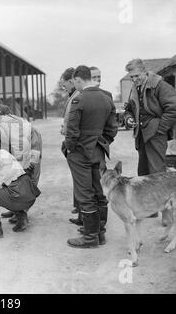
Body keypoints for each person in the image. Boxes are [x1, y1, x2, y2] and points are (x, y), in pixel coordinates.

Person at [63, 65, 117, 248]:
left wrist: (70, 148)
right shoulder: (107, 97)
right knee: (98, 192)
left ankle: (90, 238)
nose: (75, 86)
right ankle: (100, 234)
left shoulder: (79, 99)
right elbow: (112, 129)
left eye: (75, 82)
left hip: (80, 153)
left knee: (84, 194)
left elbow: (71, 131)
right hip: (99, 152)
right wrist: (102, 142)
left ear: (78, 79)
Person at [124, 58, 176, 219]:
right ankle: (150, 210)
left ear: (145, 71)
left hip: (155, 135)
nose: (134, 79)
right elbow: (129, 108)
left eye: (136, 76)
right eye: (131, 77)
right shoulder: (135, 88)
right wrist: (129, 118)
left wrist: (160, 129)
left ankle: (167, 215)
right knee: (144, 173)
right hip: (141, 134)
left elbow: (173, 108)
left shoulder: (161, 85)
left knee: (157, 174)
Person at [0, 110, 43, 222]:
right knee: (13, 173)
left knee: (27, 176)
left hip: (32, 142)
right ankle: (15, 209)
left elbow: (21, 146)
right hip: (22, 144)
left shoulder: (6, 126)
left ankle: (22, 212)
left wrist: (24, 165)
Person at [59, 68, 82, 224]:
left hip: (75, 144)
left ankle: (83, 216)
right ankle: (81, 211)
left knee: (82, 182)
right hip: (72, 141)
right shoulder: (73, 95)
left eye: (64, 85)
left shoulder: (77, 96)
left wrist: (67, 138)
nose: (64, 88)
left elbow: (73, 122)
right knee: (79, 181)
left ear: (71, 81)